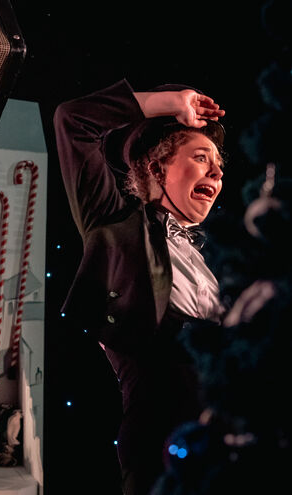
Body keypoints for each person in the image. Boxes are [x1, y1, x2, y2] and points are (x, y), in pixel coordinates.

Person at [54, 79, 226, 495]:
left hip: (225, 437)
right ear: (156, 167)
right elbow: (72, 120)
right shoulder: (117, 225)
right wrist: (169, 104)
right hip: (162, 436)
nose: (217, 173)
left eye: (220, 164)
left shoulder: (215, 261)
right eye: (201, 158)